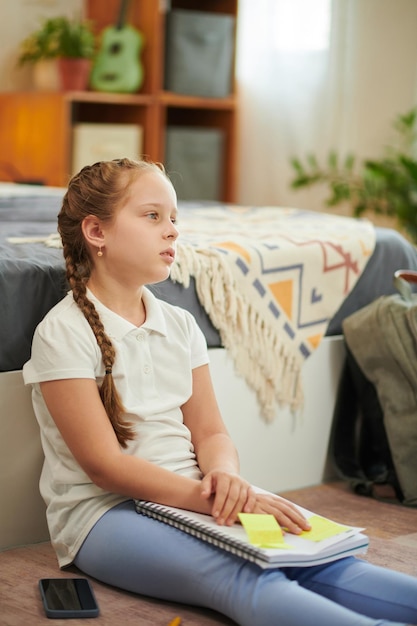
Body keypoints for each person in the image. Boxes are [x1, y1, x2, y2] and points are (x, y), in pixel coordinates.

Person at [23, 158, 417, 626]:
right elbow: (104, 468)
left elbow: (210, 432)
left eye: (174, 218)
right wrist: (219, 501)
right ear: (96, 231)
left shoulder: (180, 324)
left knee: (327, 563)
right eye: (152, 216)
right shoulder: (62, 333)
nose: (171, 231)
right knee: (248, 577)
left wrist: (228, 478)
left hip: (197, 493)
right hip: (106, 516)